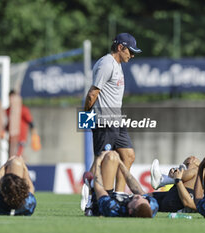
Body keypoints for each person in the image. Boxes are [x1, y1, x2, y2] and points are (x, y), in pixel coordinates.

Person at [84, 33, 142, 192]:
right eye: (130, 51)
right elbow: (92, 93)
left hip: (116, 119)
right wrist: (86, 116)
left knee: (128, 155)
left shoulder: (117, 65)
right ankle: (91, 194)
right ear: (120, 47)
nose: (132, 55)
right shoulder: (106, 64)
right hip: (104, 119)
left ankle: (119, 194)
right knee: (101, 160)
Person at [88, 150, 158, 218]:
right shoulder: (152, 205)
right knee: (127, 155)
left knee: (111, 157)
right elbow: (137, 189)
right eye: (144, 199)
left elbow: (99, 188)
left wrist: (97, 161)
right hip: (119, 198)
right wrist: (120, 163)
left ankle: (90, 186)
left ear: (130, 211)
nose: (138, 196)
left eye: (136, 199)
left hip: (103, 197)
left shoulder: (112, 208)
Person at [5, 90, 38, 157]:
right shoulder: (8, 111)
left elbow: (31, 123)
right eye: (10, 98)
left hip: (20, 139)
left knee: (17, 158)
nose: (11, 100)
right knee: (11, 159)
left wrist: (34, 136)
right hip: (11, 140)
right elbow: (6, 126)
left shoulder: (23, 109)